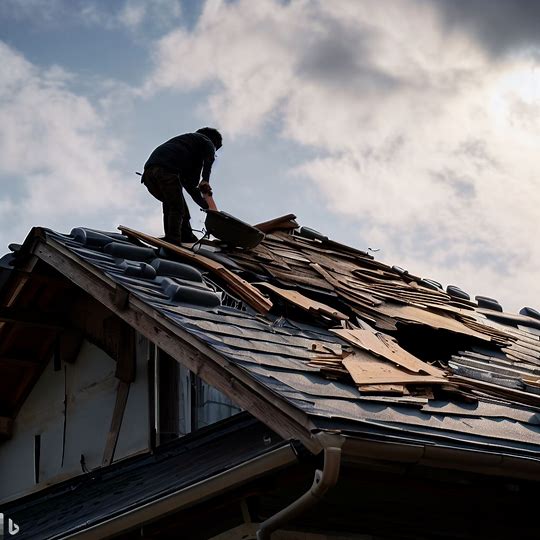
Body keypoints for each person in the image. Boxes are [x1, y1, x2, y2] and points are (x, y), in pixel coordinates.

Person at [141, 127, 222, 244]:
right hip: (165, 171)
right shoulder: (205, 140)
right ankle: (173, 239)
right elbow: (209, 158)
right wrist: (205, 180)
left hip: (149, 176)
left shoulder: (186, 149)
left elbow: (191, 186)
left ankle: (186, 238)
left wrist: (207, 207)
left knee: (174, 206)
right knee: (177, 207)